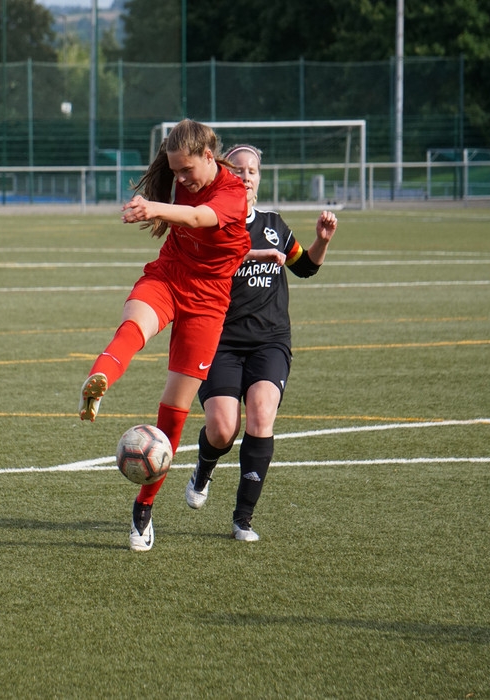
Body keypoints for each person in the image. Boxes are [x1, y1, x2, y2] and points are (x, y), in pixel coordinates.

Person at [77, 119, 282, 552]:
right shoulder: (181, 171)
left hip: (208, 305)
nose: (181, 179)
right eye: (175, 171)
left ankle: (143, 508)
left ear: (209, 157)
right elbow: (193, 213)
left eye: (187, 171)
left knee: (174, 412)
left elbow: (197, 217)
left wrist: (154, 209)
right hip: (169, 276)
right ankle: (97, 384)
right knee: (134, 328)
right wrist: (158, 194)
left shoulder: (230, 191)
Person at [185, 144, 338, 541]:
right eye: (238, 168)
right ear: (223, 175)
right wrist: (250, 254)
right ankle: (204, 466)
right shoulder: (210, 224)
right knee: (221, 429)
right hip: (220, 341)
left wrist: (321, 240)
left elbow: (304, 267)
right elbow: (205, 266)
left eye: (253, 170)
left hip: (270, 340)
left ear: (259, 178)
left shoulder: (275, 225)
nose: (247, 175)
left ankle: (242, 518)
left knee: (261, 414)